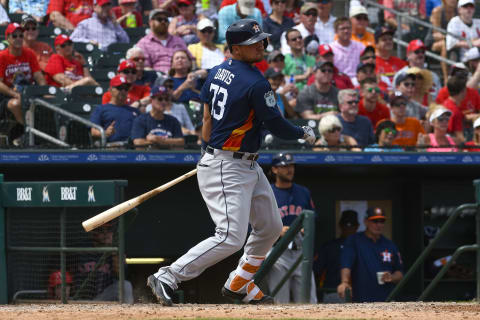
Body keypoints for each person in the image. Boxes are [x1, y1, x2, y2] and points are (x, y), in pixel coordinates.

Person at [146, 19, 316, 307]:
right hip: (228, 165)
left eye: (262, 39)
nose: (261, 45)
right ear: (236, 48)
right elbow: (275, 123)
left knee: (271, 227)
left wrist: (206, 151)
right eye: (254, 42)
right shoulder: (255, 81)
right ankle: (168, 276)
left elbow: (207, 119)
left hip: (241, 162)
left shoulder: (216, 72)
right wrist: (303, 133)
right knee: (230, 237)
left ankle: (239, 282)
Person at [265, 152, 317, 304]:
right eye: (285, 166)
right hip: (278, 253)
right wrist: (276, 230)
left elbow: (313, 216)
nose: (290, 169)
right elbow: (255, 223)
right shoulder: (267, 193)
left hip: (301, 251)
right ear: (275, 169)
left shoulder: (303, 192)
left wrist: (304, 227)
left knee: (309, 302)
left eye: (292, 166)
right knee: (280, 303)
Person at [337, 207, 404, 303]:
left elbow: (400, 273)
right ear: (366, 222)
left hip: (387, 300)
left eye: (381, 221)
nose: (379, 225)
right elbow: (346, 264)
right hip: (362, 300)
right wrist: (344, 282)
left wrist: (392, 277)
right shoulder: (354, 240)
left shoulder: (389, 245)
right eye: (375, 221)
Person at [0, 23, 46, 144]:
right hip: (7, 95)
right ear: (8, 38)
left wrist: (45, 91)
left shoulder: (29, 53)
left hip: (28, 91)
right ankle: (28, 132)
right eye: (14, 36)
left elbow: (38, 75)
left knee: (47, 101)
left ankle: (32, 134)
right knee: (16, 104)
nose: (18, 38)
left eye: (21, 35)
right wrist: (14, 94)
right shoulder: (2, 56)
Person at [74, 222, 134, 303]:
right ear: (93, 233)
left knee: (125, 285)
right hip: (79, 300)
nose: (106, 234)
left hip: (102, 297)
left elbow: (120, 275)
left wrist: (114, 252)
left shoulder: (115, 250)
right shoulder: (81, 249)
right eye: (101, 231)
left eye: (109, 230)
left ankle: (128, 313)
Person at [315, 209, 359, 303]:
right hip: (335, 292)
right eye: (346, 226)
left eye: (351, 226)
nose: (348, 229)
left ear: (357, 227)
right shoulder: (329, 247)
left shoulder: (363, 246)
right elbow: (316, 271)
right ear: (340, 226)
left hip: (360, 293)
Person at [136, 8, 189, 74]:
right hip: (157, 79)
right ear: (151, 22)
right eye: (159, 19)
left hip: (180, 76)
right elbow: (145, 68)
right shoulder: (143, 43)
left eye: (165, 20)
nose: (163, 22)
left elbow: (191, 60)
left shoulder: (178, 40)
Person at [90, 75, 141, 143]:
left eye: (126, 88)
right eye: (120, 88)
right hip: (111, 148)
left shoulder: (135, 111)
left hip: (132, 149)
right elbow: (93, 131)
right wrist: (105, 133)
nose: (123, 91)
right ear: (110, 90)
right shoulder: (101, 109)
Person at [430, 0, 458, 83]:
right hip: (435, 42)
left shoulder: (459, 11)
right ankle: (446, 79)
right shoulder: (437, 11)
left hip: (453, 41)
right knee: (445, 44)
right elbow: (436, 34)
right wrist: (450, 39)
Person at [330, 17, 365, 81]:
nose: (346, 31)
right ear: (336, 31)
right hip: (339, 81)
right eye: (342, 29)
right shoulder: (331, 48)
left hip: (358, 81)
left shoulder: (360, 47)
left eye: (348, 28)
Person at [375, 24, 407, 92]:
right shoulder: (371, 63)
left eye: (390, 39)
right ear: (376, 44)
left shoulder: (400, 63)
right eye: (384, 40)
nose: (388, 42)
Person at [440, 76, 467, 142]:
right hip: (451, 147)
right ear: (463, 91)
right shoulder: (455, 111)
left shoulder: (444, 104)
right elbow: (460, 137)